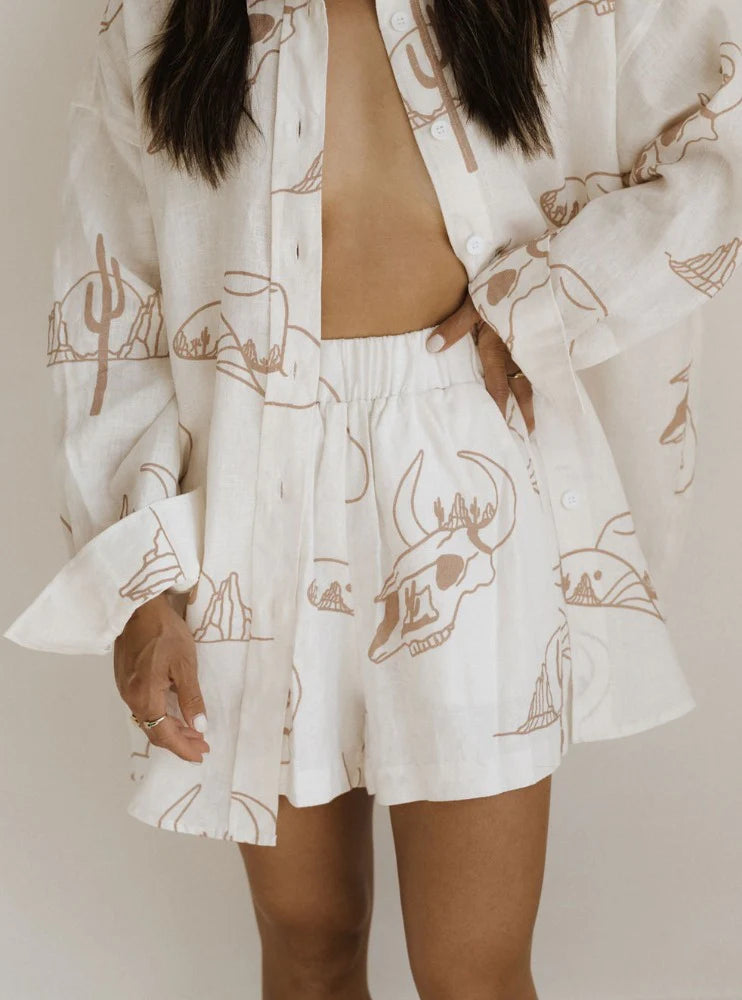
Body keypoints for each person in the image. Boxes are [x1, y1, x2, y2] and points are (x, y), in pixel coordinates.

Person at [4, 0, 742, 996]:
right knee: (308, 942)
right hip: (252, 486)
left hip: (464, 457)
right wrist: (141, 585)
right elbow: (111, 309)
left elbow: (720, 135)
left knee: (472, 971)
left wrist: (555, 295)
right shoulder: (160, 17)